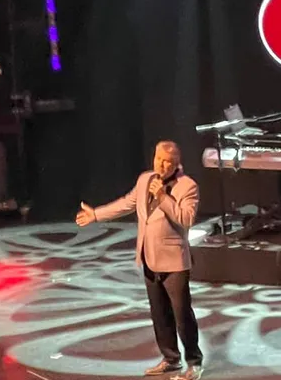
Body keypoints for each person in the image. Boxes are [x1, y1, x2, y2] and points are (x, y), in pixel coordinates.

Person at [75, 141, 203, 380]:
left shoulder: (188, 186)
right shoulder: (145, 179)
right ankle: (170, 359)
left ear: (176, 164)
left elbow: (186, 219)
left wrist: (163, 197)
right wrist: (96, 215)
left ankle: (194, 362)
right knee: (159, 313)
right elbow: (126, 203)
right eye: (158, 159)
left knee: (182, 314)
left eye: (167, 162)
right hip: (148, 256)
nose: (162, 166)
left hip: (174, 261)